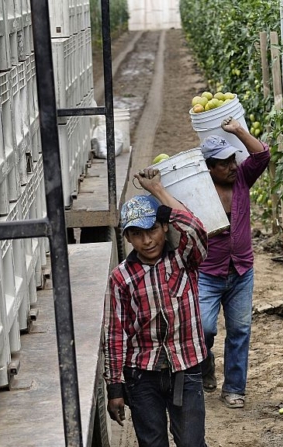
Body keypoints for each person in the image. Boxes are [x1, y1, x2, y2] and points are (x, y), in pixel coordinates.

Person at [102, 167, 209, 447]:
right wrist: (115, 386)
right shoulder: (121, 277)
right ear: (127, 238)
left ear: (163, 227)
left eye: (152, 230)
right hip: (142, 375)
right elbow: (115, 335)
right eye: (137, 234)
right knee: (152, 443)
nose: (147, 241)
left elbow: (196, 228)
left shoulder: (184, 259)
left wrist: (158, 193)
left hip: (185, 368)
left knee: (191, 442)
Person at [198, 117, 271, 409]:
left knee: (240, 330)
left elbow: (262, 154)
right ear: (208, 168)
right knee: (203, 328)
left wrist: (238, 130)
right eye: (223, 163)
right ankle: (205, 364)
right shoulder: (198, 190)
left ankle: (234, 388)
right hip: (208, 272)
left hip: (241, 269)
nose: (231, 166)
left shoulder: (242, 178)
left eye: (232, 159)